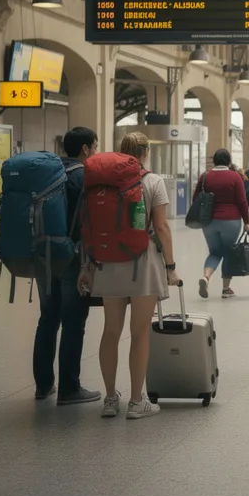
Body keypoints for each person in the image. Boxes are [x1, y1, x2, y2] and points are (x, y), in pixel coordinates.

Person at [79, 131, 178, 420]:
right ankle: (137, 402)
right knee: (139, 332)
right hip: (143, 263)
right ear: (146, 152)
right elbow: (161, 228)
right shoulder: (153, 181)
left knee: (111, 331)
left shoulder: (101, 184)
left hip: (107, 261)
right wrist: (170, 268)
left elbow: (89, 227)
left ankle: (110, 399)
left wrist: (87, 266)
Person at [32, 127, 101, 406]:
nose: (95, 151)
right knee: (73, 322)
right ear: (85, 149)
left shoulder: (46, 174)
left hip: (44, 256)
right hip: (73, 258)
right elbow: (90, 221)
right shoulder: (84, 177)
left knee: (48, 319)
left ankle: (43, 385)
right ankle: (69, 389)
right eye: (94, 147)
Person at [191, 148, 249, 299]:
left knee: (215, 252)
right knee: (228, 253)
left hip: (209, 221)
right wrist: (247, 221)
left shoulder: (205, 176)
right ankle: (226, 289)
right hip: (231, 221)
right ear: (229, 161)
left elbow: (196, 197)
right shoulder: (235, 177)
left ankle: (206, 277)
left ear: (215, 161)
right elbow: (242, 201)